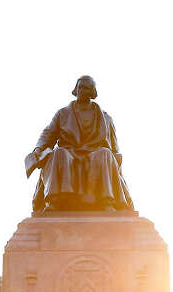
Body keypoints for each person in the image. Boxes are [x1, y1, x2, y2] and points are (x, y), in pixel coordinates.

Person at [26, 75, 133, 212]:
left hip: (95, 152)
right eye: (80, 87)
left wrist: (117, 162)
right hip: (69, 151)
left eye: (86, 88)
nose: (82, 90)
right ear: (75, 89)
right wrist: (38, 149)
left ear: (92, 92)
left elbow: (114, 148)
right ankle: (55, 201)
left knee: (105, 153)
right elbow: (47, 134)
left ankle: (107, 201)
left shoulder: (105, 118)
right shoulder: (62, 114)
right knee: (59, 153)